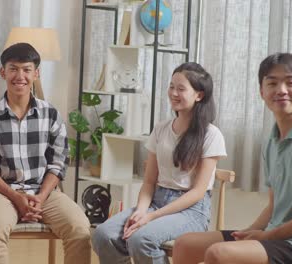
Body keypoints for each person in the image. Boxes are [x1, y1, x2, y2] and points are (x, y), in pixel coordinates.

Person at [173, 53, 292, 264]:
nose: (281, 90)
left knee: (219, 254)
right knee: (185, 244)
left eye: (290, 83)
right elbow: (273, 206)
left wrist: (268, 236)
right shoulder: (272, 140)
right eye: (272, 83)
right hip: (273, 236)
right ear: (262, 91)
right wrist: (249, 232)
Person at [0, 42, 91, 264]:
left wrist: (40, 197)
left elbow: (59, 162)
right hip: (0, 193)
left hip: (43, 193)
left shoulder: (50, 114)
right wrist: (16, 197)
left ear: (37, 73)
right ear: (2, 72)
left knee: (80, 228)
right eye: (13, 68)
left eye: (26, 69)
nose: (20, 76)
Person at [91, 62, 227, 264]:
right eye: (171, 86)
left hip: (192, 210)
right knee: (103, 234)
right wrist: (140, 211)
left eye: (181, 89)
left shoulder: (211, 134)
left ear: (199, 95)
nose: (173, 93)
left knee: (141, 239)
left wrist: (151, 218)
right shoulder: (161, 129)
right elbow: (148, 182)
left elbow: (198, 192)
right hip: (156, 200)